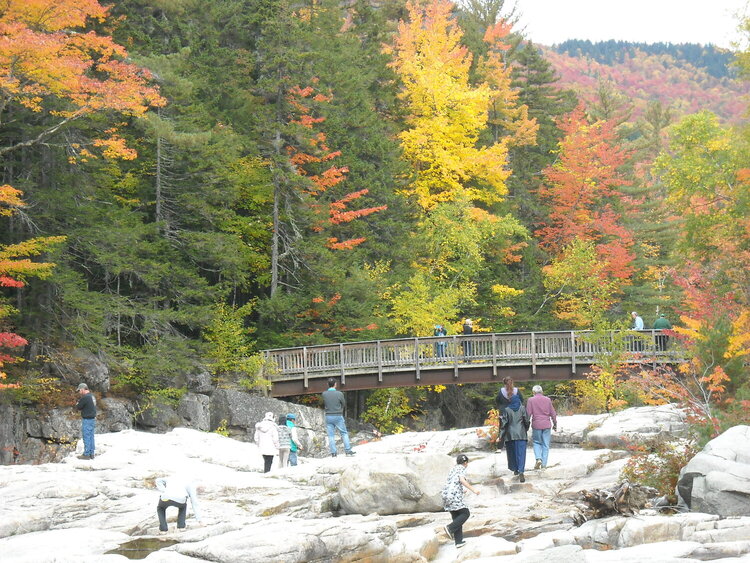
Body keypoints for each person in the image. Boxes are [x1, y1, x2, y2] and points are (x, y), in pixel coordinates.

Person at [441, 453, 479, 549]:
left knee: (457, 517)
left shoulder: (453, 469)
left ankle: (458, 541)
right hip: (454, 496)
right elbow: (462, 480)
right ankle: (450, 528)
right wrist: (473, 490)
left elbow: (454, 481)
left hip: (446, 495)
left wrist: (462, 490)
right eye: (467, 463)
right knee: (465, 513)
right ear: (465, 463)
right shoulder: (462, 468)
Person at [525, 385, 557, 470]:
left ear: (533, 392)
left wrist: (526, 425)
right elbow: (553, 413)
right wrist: (555, 424)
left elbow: (528, 414)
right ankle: (544, 465)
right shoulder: (547, 400)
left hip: (536, 425)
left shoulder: (530, 400)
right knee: (545, 445)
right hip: (546, 424)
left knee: (536, 442)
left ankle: (538, 458)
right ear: (542, 392)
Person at [500, 394, 530, 482]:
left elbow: (504, 424)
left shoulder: (507, 410)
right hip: (521, 434)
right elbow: (526, 420)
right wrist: (525, 429)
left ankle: (515, 469)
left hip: (510, 435)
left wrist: (501, 435)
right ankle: (521, 471)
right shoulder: (522, 408)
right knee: (521, 453)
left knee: (512, 453)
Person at [322, 378, 355, 457]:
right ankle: (348, 450)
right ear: (335, 384)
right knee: (344, 433)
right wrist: (340, 409)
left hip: (328, 416)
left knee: (331, 435)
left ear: (327, 384)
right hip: (337, 415)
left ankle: (333, 453)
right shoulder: (339, 394)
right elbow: (343, 403)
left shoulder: (324, 394)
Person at [495, 377, 523, 451]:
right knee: (514, 429)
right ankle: (513, 445)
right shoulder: (517, 391)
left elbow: (497, 400)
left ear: (504, 383)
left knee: (502, 429)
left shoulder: (501, 391)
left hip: (503, 414)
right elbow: (521, 400)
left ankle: (499, 447)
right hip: (514, 414)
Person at [75, 383, 96, 460]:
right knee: (91, 436)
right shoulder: (92, 396)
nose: (79, 392)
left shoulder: (85, 398)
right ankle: (92, 453)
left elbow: (78, 407)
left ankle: (86, 454)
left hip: (87, 419)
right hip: (92, 419)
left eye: (79, 390)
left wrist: (77, 403)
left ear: (83, 389)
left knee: (86, 436)